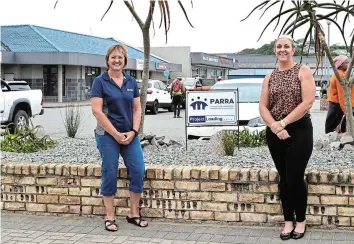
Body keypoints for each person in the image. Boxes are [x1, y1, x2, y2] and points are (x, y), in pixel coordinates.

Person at [259, 35, 315, 240]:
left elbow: (307, 102)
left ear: (293, 50)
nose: (282, 49)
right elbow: (263, 106)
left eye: (286, 46)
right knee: (284, 178)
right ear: (275, 51)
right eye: (279, 46)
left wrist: (284, 123)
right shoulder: (269, 76)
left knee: (294, 177)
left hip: (299, 129)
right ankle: (287, 221)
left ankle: (301, 221)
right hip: (275, 132)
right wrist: (274, 125)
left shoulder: (303, 71)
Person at [90, 44, 148, 232]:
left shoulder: (131, 82)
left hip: (129, 135)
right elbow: (97, 111)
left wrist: (134, 131)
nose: (116, 60)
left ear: (125, 60)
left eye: (120, 57)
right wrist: (115, 134)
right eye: (113, 57)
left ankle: (133, 214)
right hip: (107, 135)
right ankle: (109, 216)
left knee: (138, 170)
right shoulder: (100, 81)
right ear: (107, 59)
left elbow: (137, 108)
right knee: (110, 171)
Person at [327, 56, 354, 133]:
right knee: (334, 127)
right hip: (338, 105)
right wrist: (346, 110)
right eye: (347, 63)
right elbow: (342, 95)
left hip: (338, 104)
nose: (349, 65)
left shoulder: (341, 74)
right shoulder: (340, 76)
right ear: (341, 65)